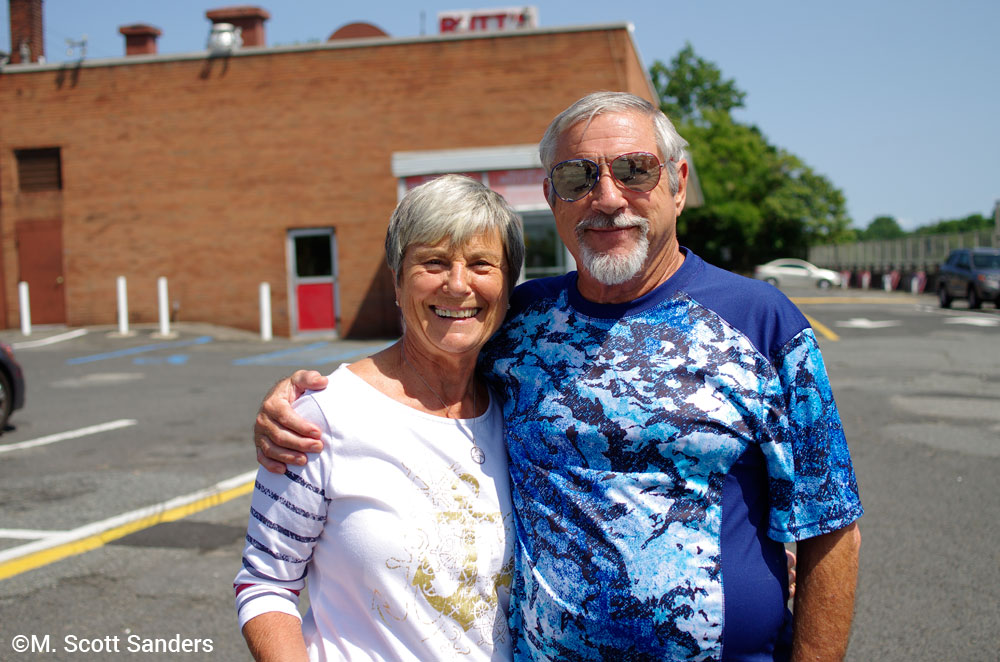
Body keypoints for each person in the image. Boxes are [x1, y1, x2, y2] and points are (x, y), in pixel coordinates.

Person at [254, 92, 863, 662]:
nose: (607, 196)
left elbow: (830, 526)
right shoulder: (520, 322)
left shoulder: (761, 323)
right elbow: (427, 349)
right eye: (578, 176)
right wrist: (298, 402)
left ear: (677, 185)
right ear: (552, 196)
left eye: (634, 170)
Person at [235, 174, 525, 661]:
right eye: (433, 262)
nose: (458, 285)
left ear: (507, 285)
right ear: (396, 279)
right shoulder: (323, 416)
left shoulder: (520, 409)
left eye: (481, 264)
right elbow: (265, 582)